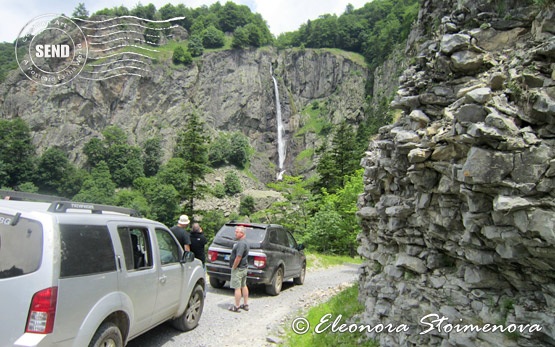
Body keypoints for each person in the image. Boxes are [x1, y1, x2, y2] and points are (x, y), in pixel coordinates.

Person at [229, 225, 249, 312]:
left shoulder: (241, 243)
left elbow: (239, 256)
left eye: (237, 232)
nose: (235, 233)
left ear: (242, 233)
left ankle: (236, 306)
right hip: (244, 268)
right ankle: (245, 304)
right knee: (243, 285)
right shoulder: (245, 242)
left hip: (239, 269)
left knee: (237, 287)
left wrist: (234, 266)